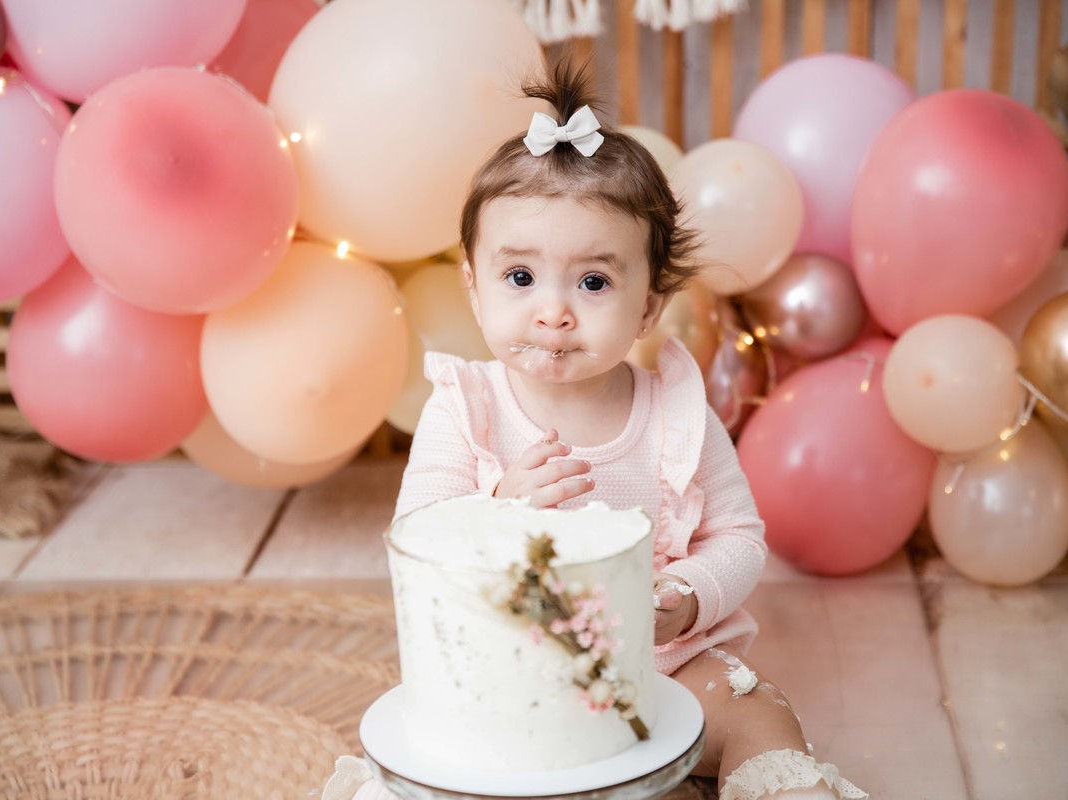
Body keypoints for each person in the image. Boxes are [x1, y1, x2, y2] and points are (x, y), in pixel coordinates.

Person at [366, 61, 867, 800]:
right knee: (433, 757)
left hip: (668, 666)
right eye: (520, 277)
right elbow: (418, 537)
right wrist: (496, 507)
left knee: (759, 710)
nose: (554, 311)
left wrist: (688, 596)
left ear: (649, 306)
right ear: (473, 287)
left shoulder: (675, 413)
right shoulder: (464, 409)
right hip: (514, 674)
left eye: (594, 282)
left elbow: (739, 537)